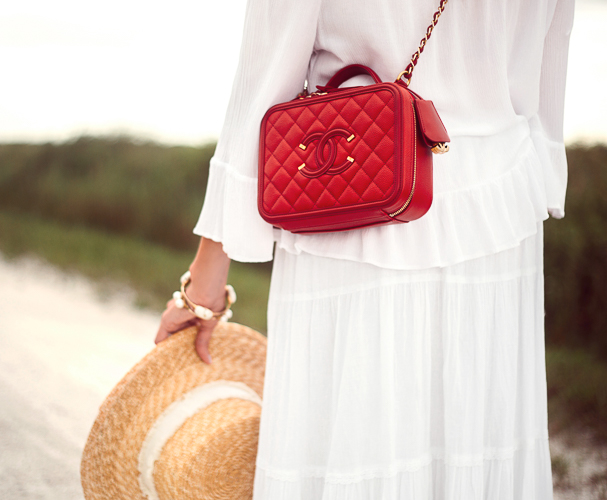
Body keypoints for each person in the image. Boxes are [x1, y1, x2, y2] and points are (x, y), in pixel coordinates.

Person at [155, 0, 575, 497]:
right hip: (501, 213)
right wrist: (545, 174)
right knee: (474, 441)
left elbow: (263, 79)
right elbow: (550, 55)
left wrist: (206, 278)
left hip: (346, 199)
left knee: (352, 444)